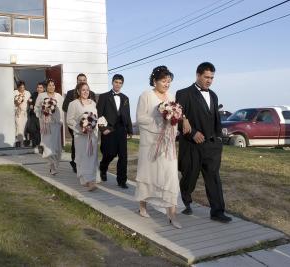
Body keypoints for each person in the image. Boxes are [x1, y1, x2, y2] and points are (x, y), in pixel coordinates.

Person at [176, 62, 232, 223]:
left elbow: (215, 118)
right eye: (206, 77)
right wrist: (192, 133)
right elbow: (177, 117)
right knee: (190, 177)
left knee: (214, 178)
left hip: (212, 146)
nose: (209, 81)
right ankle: (185, 201)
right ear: (198, 75)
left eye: (212, 78)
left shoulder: (213, 95)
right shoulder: (184, 94)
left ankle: (217, 211)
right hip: (192, 145)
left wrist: (219, 138)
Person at [135, 66, 185, 229]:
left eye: (169, 81)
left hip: (168, 144)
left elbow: (176, 118)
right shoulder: (146, 95)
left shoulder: (171, 96)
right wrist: (159, 119)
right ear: (155, 81)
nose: (166, 84)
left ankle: (172, 214)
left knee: (170, 175)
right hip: (150, 143)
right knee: (148, 174)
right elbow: (140, 118)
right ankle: (143, 205)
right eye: (164, 81)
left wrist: (172, 121)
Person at [97, 74, 133, 189]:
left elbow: (127, 115)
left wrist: (130, 130)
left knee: (123, 156)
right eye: (116, 82)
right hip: (109, 129)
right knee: (110, 153)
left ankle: (122, 180)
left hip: (122, 129)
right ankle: (103, 167)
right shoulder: (104, 97)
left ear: (122, 84)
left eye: (120, 83)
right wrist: (102, 129)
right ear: (112, 83)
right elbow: (99, 115)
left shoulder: (125, 98)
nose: (118, 84)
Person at [66, 82, 99, 191]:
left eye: (87, 90)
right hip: (81, 136)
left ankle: (91, 180)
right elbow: (69, 120)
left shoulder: (93, 103)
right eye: (83, 90)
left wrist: (93, 127)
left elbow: (95, 118)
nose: (86, 92)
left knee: (92, 157)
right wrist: (82, 129)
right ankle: (85, 179)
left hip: (92, 136)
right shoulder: (73, 104)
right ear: (78, 91)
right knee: (83, 157)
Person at [63, 73, 96, 173]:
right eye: (80, 80)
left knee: (90, 148)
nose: (82, 81)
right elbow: (65, 107)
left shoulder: (92, 95)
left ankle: (89, 170)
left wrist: (90, 121)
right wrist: (80, 120)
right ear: (77, 82)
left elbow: (94, 112)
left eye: (84, 80)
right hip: (77, 125)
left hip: (90, 127)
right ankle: (75, 163)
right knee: (77, 145)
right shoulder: (70, 94)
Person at [35, 79, 64, 175]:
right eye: (49, 85)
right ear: (46, 87)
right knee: (47, 145)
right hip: (45, 125)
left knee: (56, 147)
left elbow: (62, 110)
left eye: (53, 85)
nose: (51, 87)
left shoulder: (59, 96)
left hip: (55, 124)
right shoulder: (41, 96)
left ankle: (55, 163)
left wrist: (60, 120)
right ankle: (51, 165)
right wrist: (43, 112)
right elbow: (37, 108)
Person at [26, 82, 45, 149]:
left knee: (40, 130)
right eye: (38, 87)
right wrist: (30, 103)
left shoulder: (45, 95)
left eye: (40, 88)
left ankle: (40, 143)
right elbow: (30, 100)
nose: (39, 89)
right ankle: (34, 144)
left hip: (41, 115)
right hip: (33, 115)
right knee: (32, 129)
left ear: (43, 89)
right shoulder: (34, 94)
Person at [14, 81, 31, 147]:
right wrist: (17, 104)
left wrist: (30, 102)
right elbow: (14, 101)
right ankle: (19, 142)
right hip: (18, 112)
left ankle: (22, 142)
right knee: (18, 126)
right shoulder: (15, 92)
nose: (22, 88)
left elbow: (30, 101)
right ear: (18, 87)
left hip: (25, 112)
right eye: (21, 87)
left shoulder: (27, 93)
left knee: (24, 127)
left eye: (23, 87)